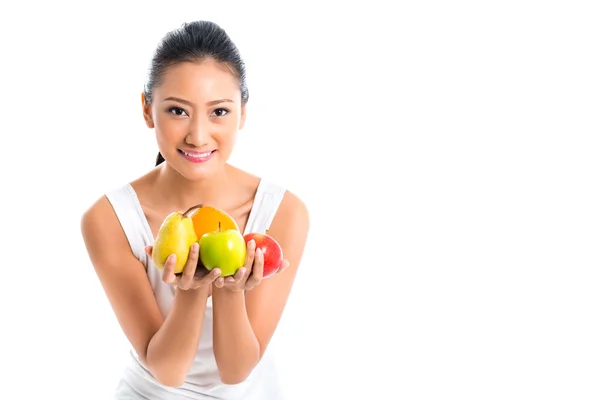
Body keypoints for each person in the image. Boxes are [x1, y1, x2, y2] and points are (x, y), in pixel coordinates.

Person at [80, 20, 309, 399]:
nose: (198, 135)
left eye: (219, 111)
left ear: (243, 113)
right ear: (148, 110)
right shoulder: (109, 218)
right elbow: (166, 371)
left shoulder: (283, 212)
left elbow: (236, 373)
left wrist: (230, 292)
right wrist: (190, 294)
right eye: (177, 111)